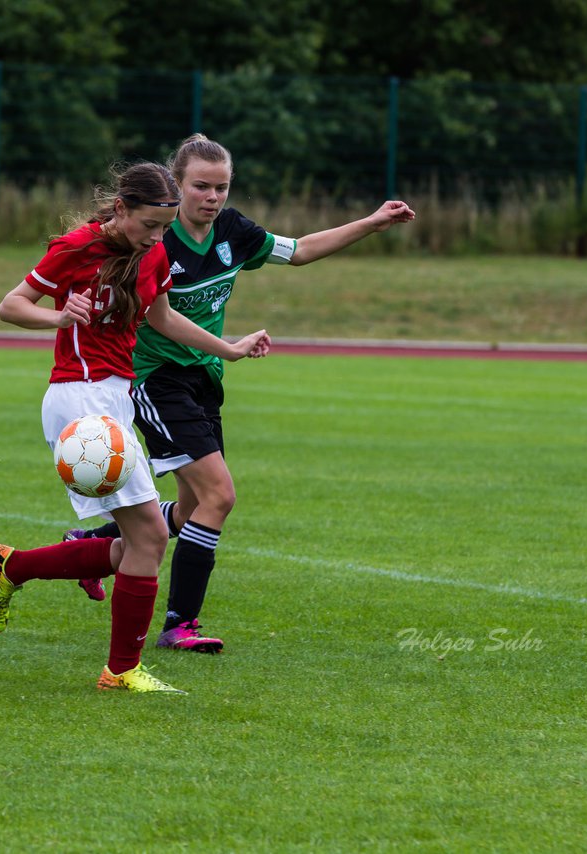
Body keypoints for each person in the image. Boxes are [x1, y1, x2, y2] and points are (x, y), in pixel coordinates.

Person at [67, 134, 415, 653]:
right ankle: (180, 624)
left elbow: (298, 251)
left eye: (221, 187)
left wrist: (372, 222)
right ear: (177, 186)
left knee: (190, 511)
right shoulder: (152, 239)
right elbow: (142, 303)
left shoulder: (233, 231)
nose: (212, 197)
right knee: (219, 496)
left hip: (204, 380)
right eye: (201, 186)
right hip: (154, 380)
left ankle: (92, 547)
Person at [0, 160, 271, 694]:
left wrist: (227, 347)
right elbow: (10, 306)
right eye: (149, 226)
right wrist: (60, 317)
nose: (158, 237)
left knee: (136, 543)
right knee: (150, 536)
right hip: (78, 401)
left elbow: (162, 318)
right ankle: (121, 670)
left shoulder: (154, 252)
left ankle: (11, 566)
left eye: (164, 227)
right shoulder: (77, 248)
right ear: (121, 209)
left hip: (117, 397)